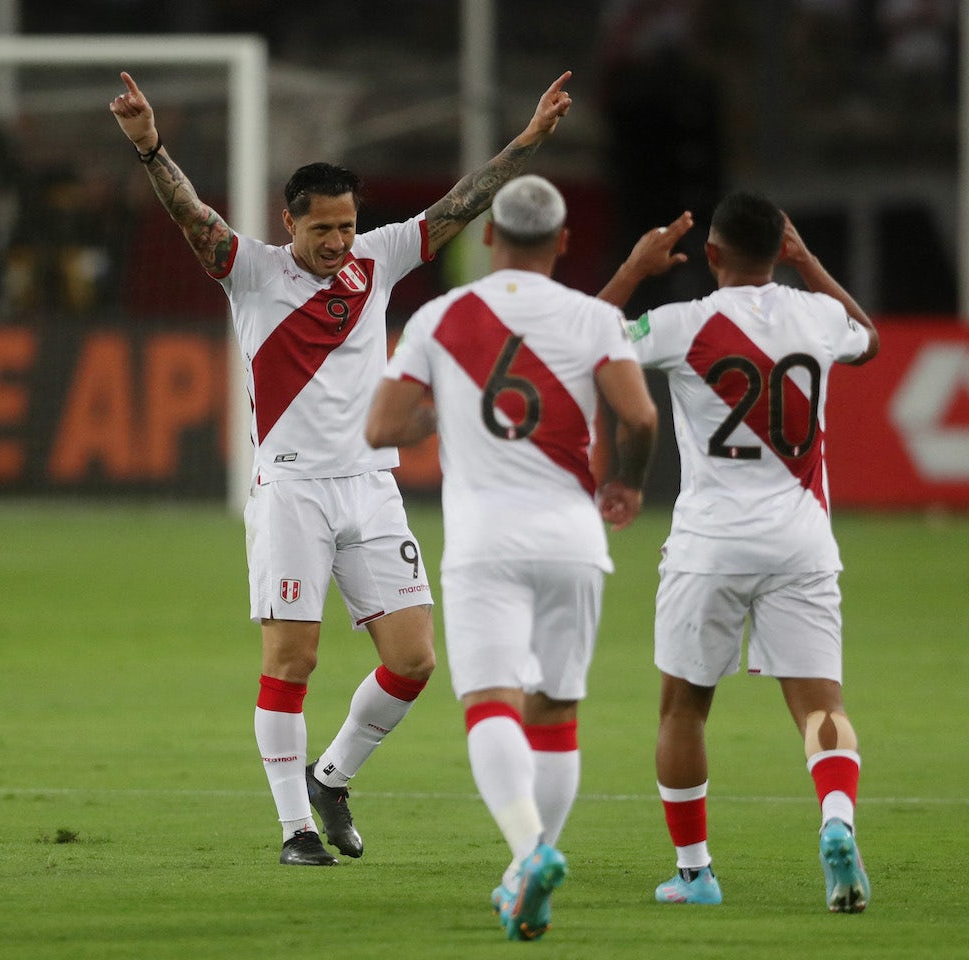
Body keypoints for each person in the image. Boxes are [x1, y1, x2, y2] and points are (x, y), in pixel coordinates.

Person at [108, 70, 573, 867]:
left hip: (370, 486)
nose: (337, 243)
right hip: (291, 492)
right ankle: (294, 829)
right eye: (322, 229)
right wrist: (151, 146)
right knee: (293, 661)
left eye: (347, 227)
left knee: (415, 660)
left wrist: (527, 144)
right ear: (289, 222)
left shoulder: (378, 259)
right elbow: (192, 215)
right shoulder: (248, 270)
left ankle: (332, 778)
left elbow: (460, 203)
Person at [365, 175, 657, 939]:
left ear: (489, 237)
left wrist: (448, 414)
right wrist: (626, 482)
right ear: (563, 243)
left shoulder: (441, 317)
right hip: (574, 541)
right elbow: (640, 415)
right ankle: (533, 866)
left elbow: (381, 427)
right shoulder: (594, 319)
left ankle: (528, 854)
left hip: (486, 543)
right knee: (557, 711)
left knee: (491, 702)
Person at [599, 191, 879, 912]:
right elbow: (869, 338)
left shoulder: (680, 324)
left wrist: (633, 270)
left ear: (712, 254)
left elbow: (580, 341)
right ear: (780, 247)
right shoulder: (818, 316)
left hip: (710, 545)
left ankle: (695, 875)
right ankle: (837, 822)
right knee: (823, 703)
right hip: (802, 541)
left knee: (683, 710)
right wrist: (811, 265)